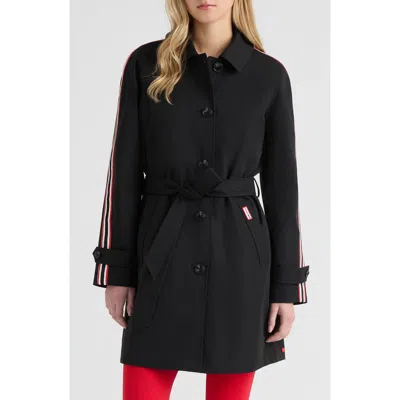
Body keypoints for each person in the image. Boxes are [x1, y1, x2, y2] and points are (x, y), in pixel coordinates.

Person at [91, 0, 310, 399]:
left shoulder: (268, 75)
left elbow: (284, 188)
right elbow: (123, 171)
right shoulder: (146, 64)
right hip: (160, 254)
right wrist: (116, 270)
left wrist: (286, 287)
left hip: (239, 261)